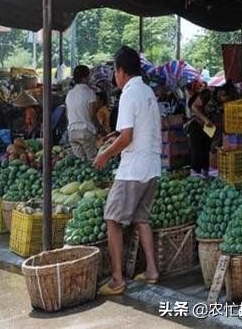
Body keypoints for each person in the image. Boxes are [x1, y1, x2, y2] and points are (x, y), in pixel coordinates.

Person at [93, 46, 161, 296]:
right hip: (153, 166)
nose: (115, 77)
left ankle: (117, 279)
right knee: (142, 218)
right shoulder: (148, 92)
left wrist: (104, 154)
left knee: (112, 219)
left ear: (120, 71)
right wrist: (116, 138)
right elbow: (134, 131)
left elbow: (127, 137)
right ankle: (152, 271)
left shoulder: (129, 93)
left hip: (133, 169)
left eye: (115, 71)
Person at [187, 82, 236, 177]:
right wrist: (205, 120)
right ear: (222, 93)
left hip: (210, 128)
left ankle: (205, 174)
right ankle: (195, 174)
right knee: (197, 149)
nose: (226, 101)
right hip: (197, 124)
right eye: (226, 98)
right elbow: (194, 107)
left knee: (207, 149)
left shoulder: (221, 102)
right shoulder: (208, 94)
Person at [65, 65, 98, 161]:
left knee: (79, 163)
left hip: (72, 132)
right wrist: (99, 128)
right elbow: (92, 115)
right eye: (89, 76)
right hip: (86, 131)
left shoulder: (69, 94)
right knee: (92, 160)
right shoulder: (90, 93)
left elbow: (67, 115)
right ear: (84, 78)